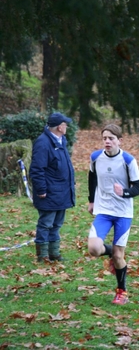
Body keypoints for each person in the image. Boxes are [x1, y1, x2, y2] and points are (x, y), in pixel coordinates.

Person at [88, 124, 139, 305]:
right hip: (104, 210)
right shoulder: (96, 158)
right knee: (94, 249)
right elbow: (92, 177)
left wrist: (125, 192)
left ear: (120, 140)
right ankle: (111, 251)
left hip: (123, 212)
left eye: (111, 138)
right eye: (104, 138)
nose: (107, 141)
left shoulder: (128, 161)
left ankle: (121, 292)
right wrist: (91, 200)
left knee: (120, 257)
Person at [29, 112, 75, 262]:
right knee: (46, 224)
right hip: (49, 192)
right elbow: (36, 169)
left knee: (57, 224)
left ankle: (54, 253)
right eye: (65, 124)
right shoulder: (43, 143)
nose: (67, 126)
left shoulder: (62, 140)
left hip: (61, 191)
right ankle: (43, 256)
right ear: (59, 127)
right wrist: (41, 189)